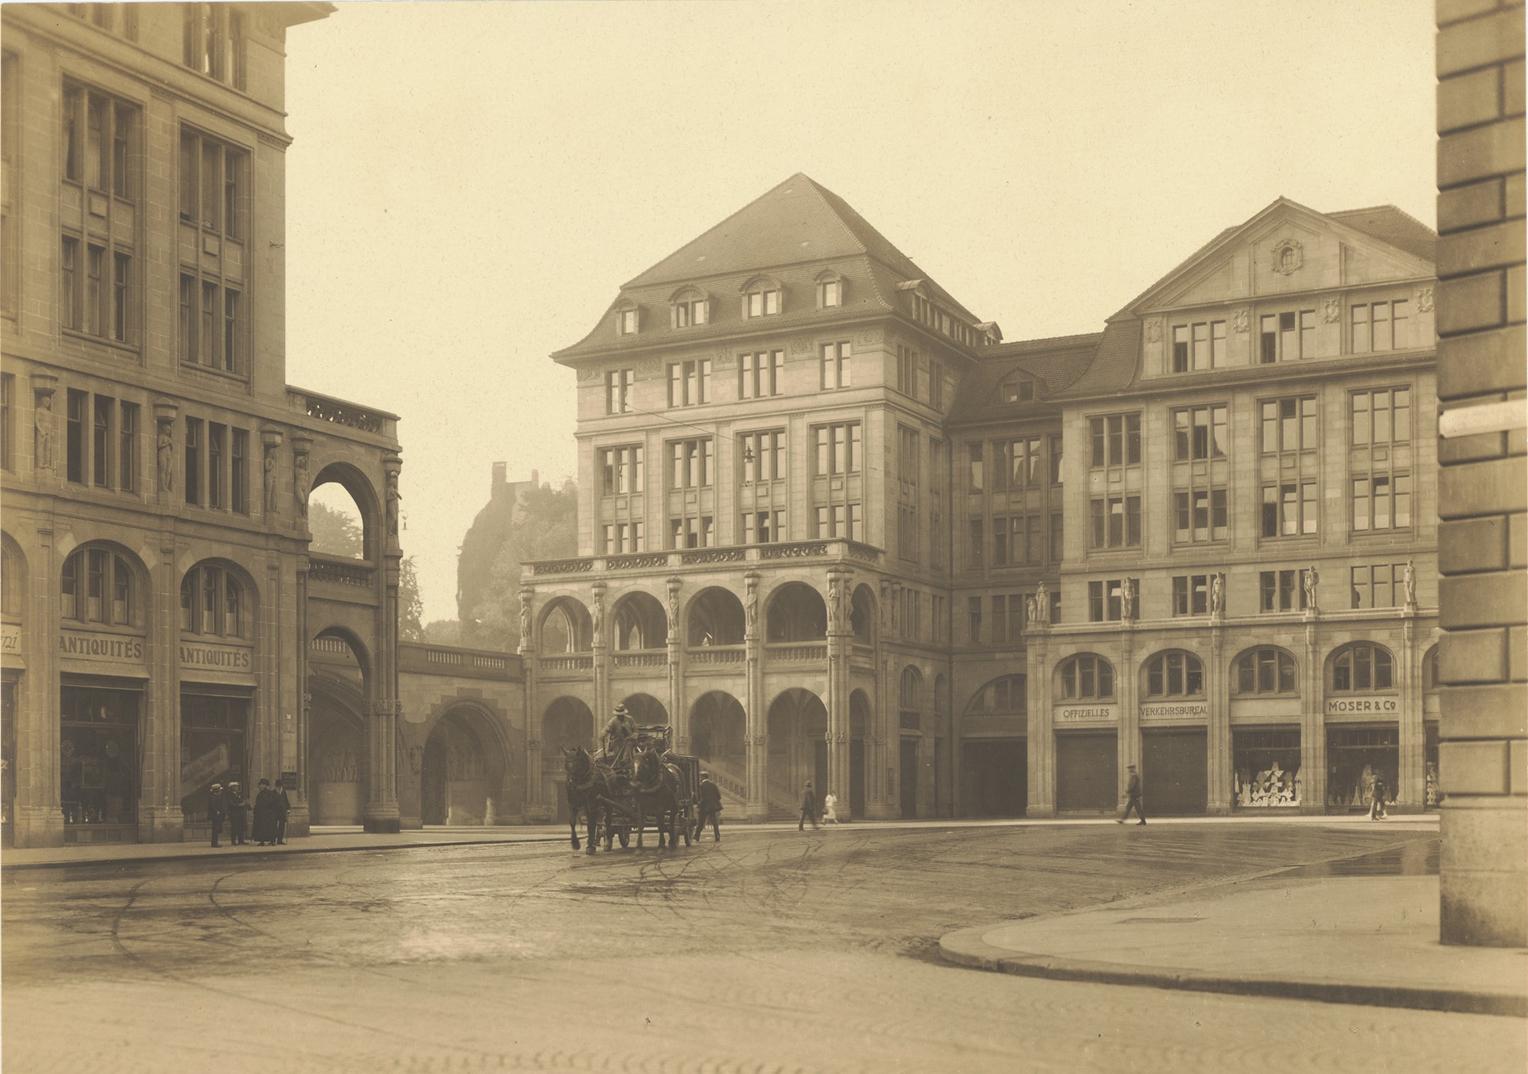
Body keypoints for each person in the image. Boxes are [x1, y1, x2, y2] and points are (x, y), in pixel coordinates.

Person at [601, 703, 639, 775]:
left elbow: (635, 731)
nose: (620, 716)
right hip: (617, 741)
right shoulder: (613, 721)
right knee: (617, 753)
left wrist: (632, 736)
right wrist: (603, 734)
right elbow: (607, 728)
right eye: (618, 715)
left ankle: (625, 762)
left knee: (628, 748)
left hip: (629, 740)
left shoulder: (630, 719)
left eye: (621, 715)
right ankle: (619, 769)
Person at [694, 772, 722, 842]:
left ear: (702, 777)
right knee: (714, 822)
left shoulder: (700, 786)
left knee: (701, 822)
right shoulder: (713, 785)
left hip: (704, 806)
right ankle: (717, 836)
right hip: (712, 807)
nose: (700, 778)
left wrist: (698, 804)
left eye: (700, 777)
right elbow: (719, 796)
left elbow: (698, 797)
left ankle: (697, 836)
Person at [252, 778, 279, 846]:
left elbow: (270, 803)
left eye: (261, 785)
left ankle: (271, 840)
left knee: (268, 828)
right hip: (262, 814)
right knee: (263, 828)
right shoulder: (261, 794)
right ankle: (263, 840)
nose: (259, 786)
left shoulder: (269, 793)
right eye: (260, 785)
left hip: (268, 814)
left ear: (265, 785)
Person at [207, 783, 226, 848]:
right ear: (216, 790)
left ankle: (215, 843)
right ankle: (214, 844)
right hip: (215, 815)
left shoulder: (216, 796)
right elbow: (212, 806)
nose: (220, 791)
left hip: (217, 815)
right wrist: (217, 811)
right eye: (219, 790)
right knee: (215, 829)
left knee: (216, 830)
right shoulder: (213, 797)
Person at [273, 779, 292, 844]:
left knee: (282, 826)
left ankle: (280, 840)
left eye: (280, 786)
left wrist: (288, 808)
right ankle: (273, 839)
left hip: (282, 812)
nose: (279, 788)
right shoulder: (273, 792)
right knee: (274, 826)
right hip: (275, 812)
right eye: (278, 786)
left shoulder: (283, 792)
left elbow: (286, 801)